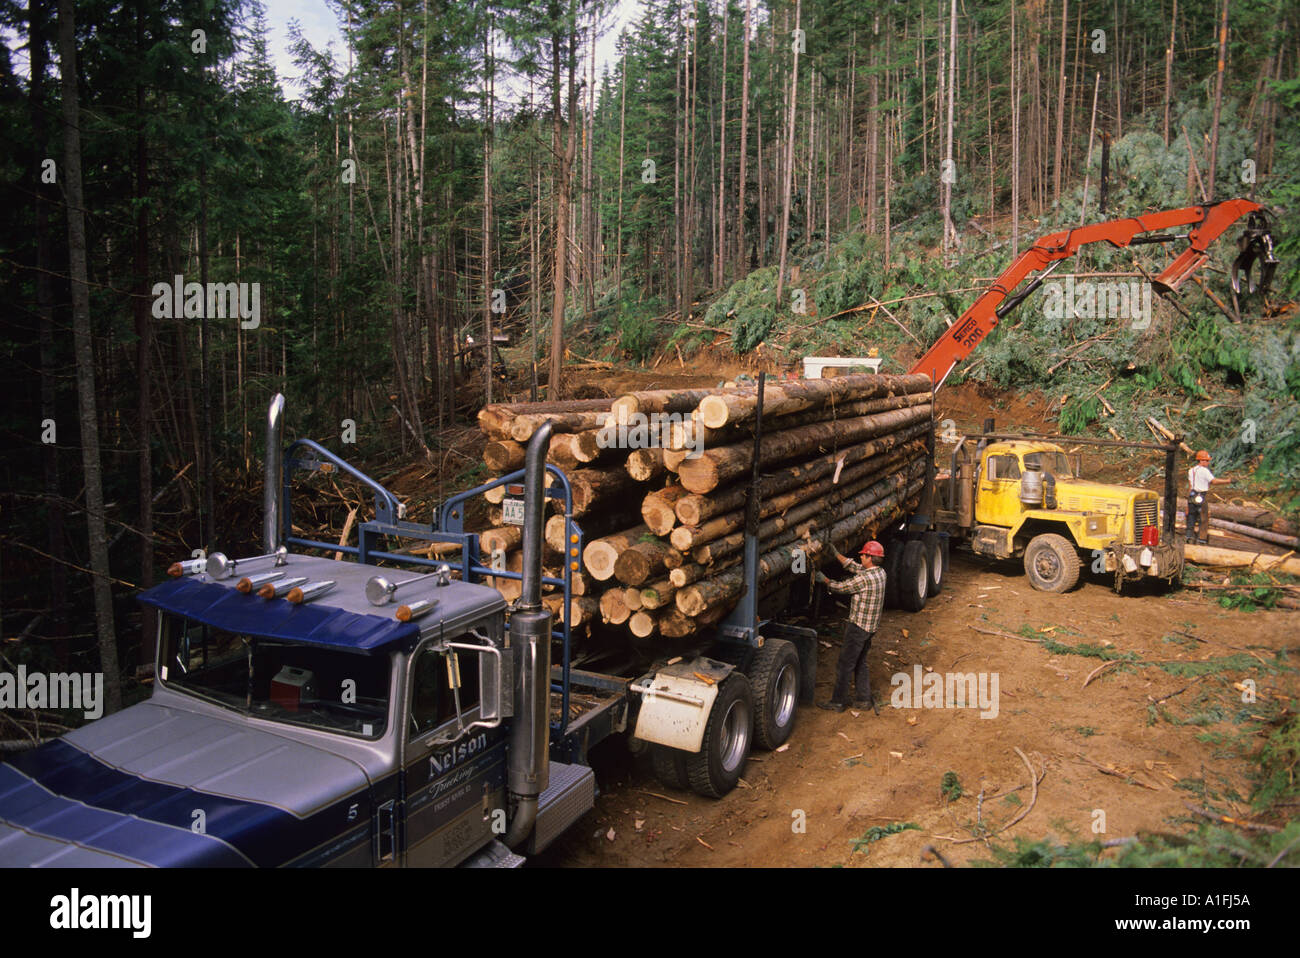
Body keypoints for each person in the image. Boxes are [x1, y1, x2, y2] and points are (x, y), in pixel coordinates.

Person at [814, 540, 887, 714]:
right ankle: (863, 699)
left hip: (858, 628)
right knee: (860, 661)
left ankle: (838, 702)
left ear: (869, 558)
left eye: (863, 555)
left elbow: (841, 587)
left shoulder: (864, 579)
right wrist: (836, 554)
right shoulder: (880, 573)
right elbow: (854, 567)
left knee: (845, 664)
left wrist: (824, 580)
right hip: (871, 628)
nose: (860, 556)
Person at [1186, 449, 1229, 544]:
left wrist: (1187, 501)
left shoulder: (1191, 470)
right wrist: (1228, 481)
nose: (1208, 462)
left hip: (1192, 496)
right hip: (1201, 496)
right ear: (1201, 460)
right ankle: (1201, 539)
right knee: (1204, 518)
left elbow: (1190, 486)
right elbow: (1214, 481)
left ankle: (1189, 537)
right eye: (1207, 460)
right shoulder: (1205, 471)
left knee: (1191, 517)